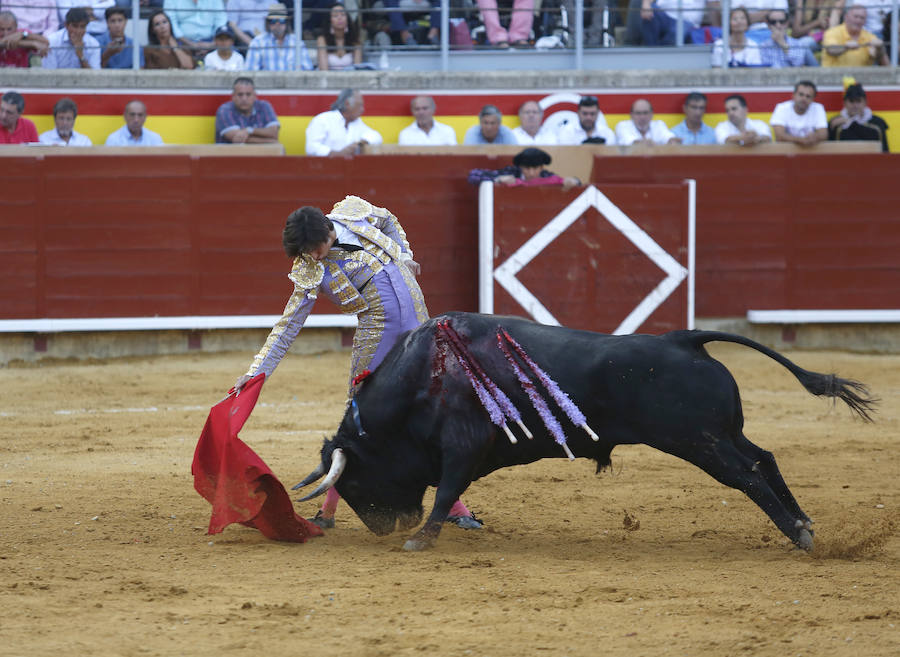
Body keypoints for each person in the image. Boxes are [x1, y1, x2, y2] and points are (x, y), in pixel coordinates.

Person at [233, 196, 482, 530]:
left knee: (431, 408)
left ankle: (453, 505)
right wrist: (256, 372)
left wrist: (404, 255)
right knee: (361, 418)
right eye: (304, 253)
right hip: (378, 331)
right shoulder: (311, 269)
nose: (311, 256)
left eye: (314, 248)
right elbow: (288, 325)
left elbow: (390, 219)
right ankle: (329, 511)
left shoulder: (352, 214)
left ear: (327, 231)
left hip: (419, 321)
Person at [305, 88, 383, 156]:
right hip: (324, 168)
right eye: (359, 105)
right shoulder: (323, 120)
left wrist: (360, 143)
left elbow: (376, 136)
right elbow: (311, 147)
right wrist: (336, 154)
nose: (362, 110)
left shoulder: (357, 122)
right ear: (347, 104)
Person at [467, 147, 581, 190]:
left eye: (535, 168)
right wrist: (497, 180)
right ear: (520, 167)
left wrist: (575, 181)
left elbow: (577, 183)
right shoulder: (512, 172)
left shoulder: (546, 175)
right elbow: (473, 175)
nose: (531, 173)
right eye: (527, 168)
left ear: (541, 167)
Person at [244, 3, 313, 70]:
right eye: (273, 21)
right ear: (268, 23)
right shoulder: (257, 43)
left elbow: (308, 69)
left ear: (286, 22)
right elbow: (250, 72)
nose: (277, 24)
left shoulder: (297, 42)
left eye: (281, 20)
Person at [215, 77, 279, 144]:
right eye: (240, 95)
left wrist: (249, 130)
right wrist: (269, 141)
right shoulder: (224, 110)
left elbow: (273, 133)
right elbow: (237, 138)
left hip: (259, 153)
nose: (244, 99)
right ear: (233, 97)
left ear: (255, 96)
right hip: (230, 153)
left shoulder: (264, 106)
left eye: (248, 94)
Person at [828, 82, 889, 152]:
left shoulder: (877, 123)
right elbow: (829, 150)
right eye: (851, 101)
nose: (855, 105)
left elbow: (884, 150)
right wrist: (831, 128)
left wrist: (852, 123)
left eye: (858, 101)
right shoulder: (835, 122)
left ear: (865, 103)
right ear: (844, 103)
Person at [822, 4, 887, 66]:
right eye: (855, 16)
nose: (858, 20)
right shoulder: (833, 32)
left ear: (865, 21)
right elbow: (831, 50)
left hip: (861, 77)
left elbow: (887, 66)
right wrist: (846, 47)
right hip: (834, 76)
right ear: (846, 17)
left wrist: (880, 49)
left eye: (862, 18)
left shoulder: (870, 37)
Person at [770, 80, 828, 145]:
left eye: (808, 96)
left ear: (813, 99)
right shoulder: (782, 108)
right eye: (801, 94)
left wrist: (815, 137)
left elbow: (823, 135)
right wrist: (801, 140)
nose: (804, 99)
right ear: (793, 95)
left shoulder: (818, 108)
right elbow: (779, 136)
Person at [163, 0, 227, 57]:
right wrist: (190, 44)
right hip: (181, 42)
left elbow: (221, 22)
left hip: (212, 41)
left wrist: (212, 44)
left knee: (230, 49)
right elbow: (171, 22)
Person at [316, 2, 362, 71]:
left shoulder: (355, 40)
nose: (340, 18)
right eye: (335, 16)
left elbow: (358, 69)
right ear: (330, 21)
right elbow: (323, 70)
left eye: (343, 15)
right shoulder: (322, 40)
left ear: (347, 19)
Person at [640, 0, 708, 45]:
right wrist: (646, 4)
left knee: (676, 33)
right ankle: (651, 51)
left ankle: (659, 57)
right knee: (648, 10)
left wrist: (717, 31)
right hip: (663, 14)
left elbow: (714, 4)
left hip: (687, 21)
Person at [615, 99, 679, 145]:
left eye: (645, 113)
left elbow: (668, 137)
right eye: (638, 113)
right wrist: (645, 143)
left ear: (652, 114)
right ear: (631, 115)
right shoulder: (622, 126)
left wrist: (672, 141)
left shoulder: (659, 125)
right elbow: (629, 141)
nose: (642, 117)